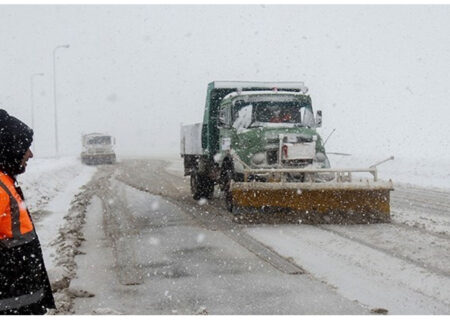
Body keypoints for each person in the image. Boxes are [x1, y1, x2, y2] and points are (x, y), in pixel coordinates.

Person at [0, 109, 55, 315]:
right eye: (25, 147)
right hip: (11, 303)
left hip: (17, 299)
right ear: (10, 147)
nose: (30, 154)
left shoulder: (5, 180)